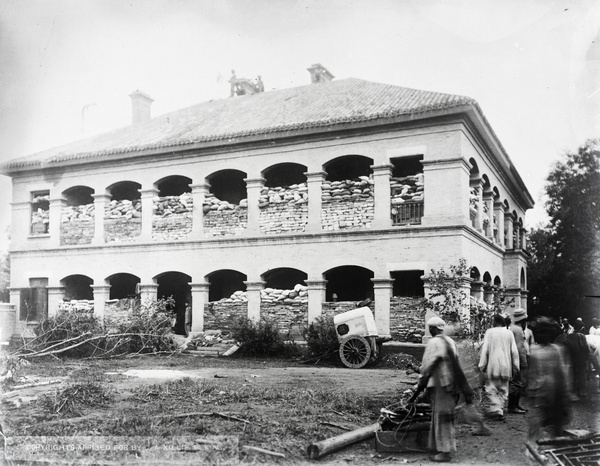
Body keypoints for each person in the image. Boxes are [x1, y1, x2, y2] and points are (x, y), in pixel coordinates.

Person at [408, 317, 476, 462]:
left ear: (432, 329)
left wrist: (417, 391)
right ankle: (440, 447)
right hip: (452, 385)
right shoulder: (450, 342)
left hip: (441, 386)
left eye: (429, 328)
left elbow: (427, 368)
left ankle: (445, 452)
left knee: (442, 419)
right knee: (444, 417)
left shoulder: (433, 343)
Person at [526, 317, 571, 444]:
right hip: (538, 393)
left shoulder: (557, 350)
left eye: (545, 333)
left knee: (556, 426)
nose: (542, 336)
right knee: (536, 424)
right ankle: (535, 451)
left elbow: (563, 373)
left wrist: (565, 394)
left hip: (555, 392)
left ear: (550, 335)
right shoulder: (534, 351)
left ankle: (556, 450)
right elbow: (532, 373)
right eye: (539, 333)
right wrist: (530, 391)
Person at [479, 314, 520, 420]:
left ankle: (496, 410)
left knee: (492, 388)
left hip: (493, 365)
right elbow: (514, 351)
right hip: (506, 366)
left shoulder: (490, 332)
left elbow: (485, 350)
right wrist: (516, 366)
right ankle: (499, 409)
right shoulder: (509, 333)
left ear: (495, 322)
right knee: (503, 389)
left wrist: (482, 365)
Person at [508, 308, 528, 413]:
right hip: (518, 359)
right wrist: (523, 362)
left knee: (516, 382)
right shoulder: (518, 330)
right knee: (517, 383)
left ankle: (515, 405)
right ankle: (512, 406)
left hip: (513, 358)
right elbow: (520, 348)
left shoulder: (513, 328)